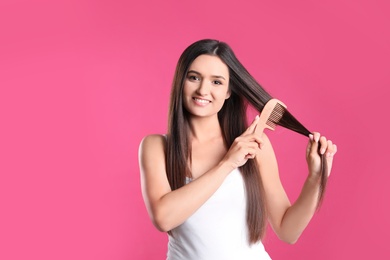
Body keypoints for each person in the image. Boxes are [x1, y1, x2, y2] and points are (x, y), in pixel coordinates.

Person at [138, 39, 337, 259]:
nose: (203, 89)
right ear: (180, 82)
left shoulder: (255, 147)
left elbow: (287, 230)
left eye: (216, 82)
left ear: (228, 91)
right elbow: (163, 217)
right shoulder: (156, 147)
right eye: (194, 77)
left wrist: (315, 178)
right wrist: (228, 163)